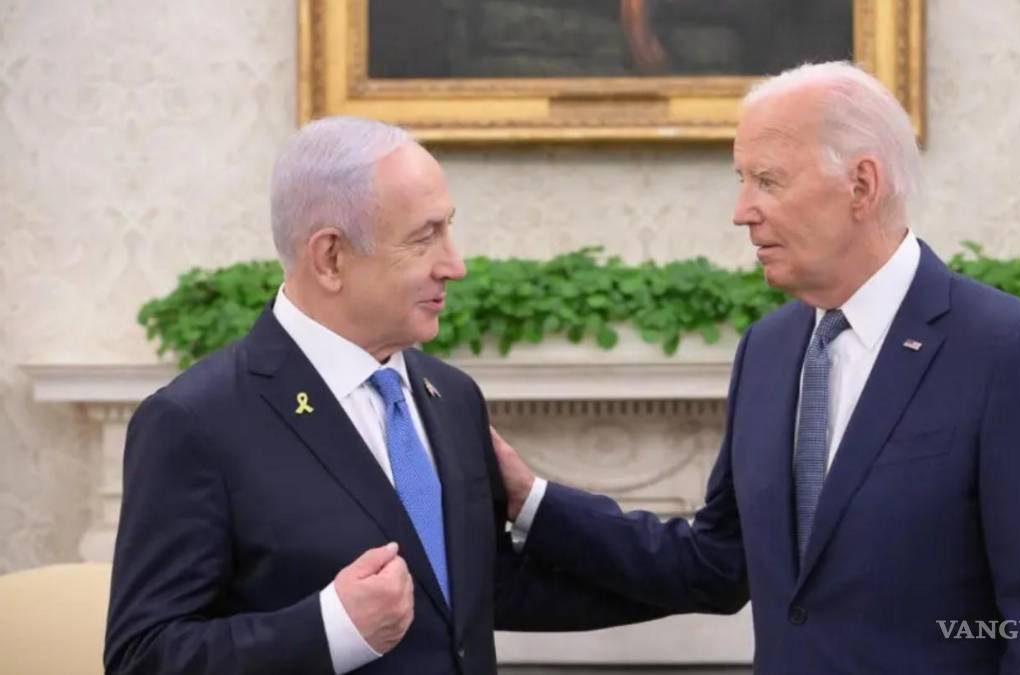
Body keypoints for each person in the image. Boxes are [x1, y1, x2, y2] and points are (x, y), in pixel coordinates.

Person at [492, 61, 1020, 673]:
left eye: (768, 180)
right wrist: (531, 499)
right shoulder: (767, 349)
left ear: (861, 185)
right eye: (742, 179)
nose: (742, 210)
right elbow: (716, 564)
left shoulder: (1008, 352)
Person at [104, 116, 659, 675]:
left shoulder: (452, 396)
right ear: (331, 258)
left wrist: (700, 567)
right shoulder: (195, 421)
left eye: (448, 229)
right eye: (424, 238)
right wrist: (331, 630)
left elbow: (480, 591)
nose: (455, 265)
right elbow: (142, 657)